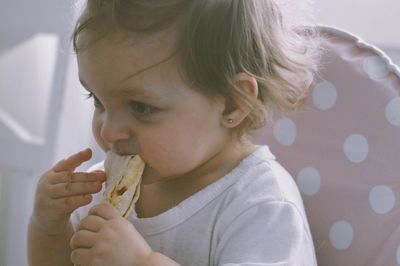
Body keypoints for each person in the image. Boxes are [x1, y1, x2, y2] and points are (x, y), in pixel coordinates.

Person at [28, 0, 320, 265]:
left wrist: (141, 262)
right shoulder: (103, 190)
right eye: (97, 99)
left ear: (232, 104)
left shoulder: (261, 206)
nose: (108, 130)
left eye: (141, 107)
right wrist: (50, 230)